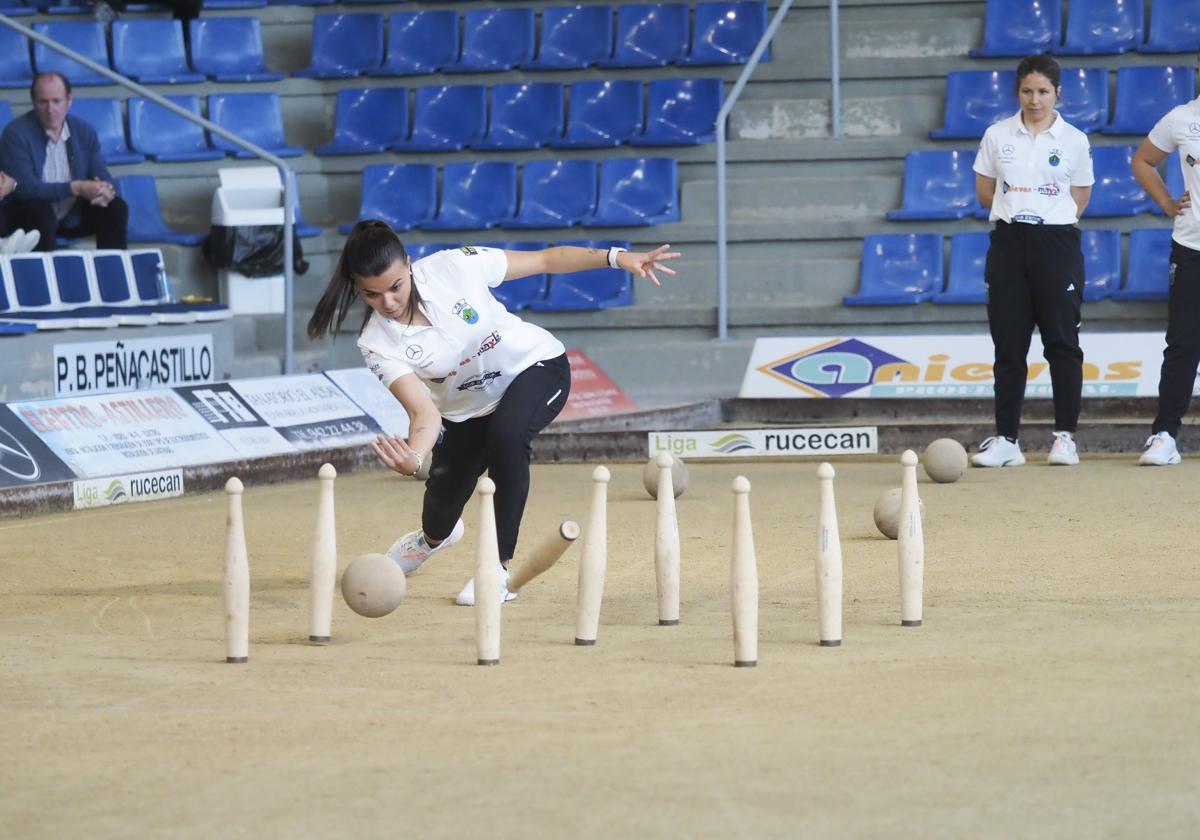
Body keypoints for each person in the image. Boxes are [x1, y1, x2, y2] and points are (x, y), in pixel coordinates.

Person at [307, 222, 679, 604]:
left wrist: (617, 258)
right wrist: (415, 457)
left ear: (409, 263)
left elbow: (547, 259)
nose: (388, 302)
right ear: (356, 287)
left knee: (508, 437)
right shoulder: (375, 343)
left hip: (535, 366)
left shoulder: (454, 266)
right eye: (372, 294)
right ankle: (434, 539)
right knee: (441, 509)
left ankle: (496, 569)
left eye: (395, 286)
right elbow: (423, 413)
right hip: (464, 411)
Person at [970, 53, 1094, 468]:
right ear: (1017, 92)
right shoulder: (997, 135)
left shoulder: (1075, 140)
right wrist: (1018, 212)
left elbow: (1080, 198)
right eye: (1027, 91)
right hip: (1008, 243)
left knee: (1062, 342)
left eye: (1043, 91)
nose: (1035, 99)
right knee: (1008, 346)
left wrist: (1048, 221)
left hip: (1056, 244)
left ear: (1057, 93)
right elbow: (985, 190)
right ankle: (1007, 439)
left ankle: (1064, 438)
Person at [1130, 59, 1199, 466]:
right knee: (1183, 345)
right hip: (1191, 247)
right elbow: (1142, 161)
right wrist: (1168, 203)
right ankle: (1165, 436)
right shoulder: (1181, 119)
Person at [0, 72, 128, 253]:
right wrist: (77, 187)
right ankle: (44, 277)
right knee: (38, 211)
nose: (50, 109)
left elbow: (100, 173)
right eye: (43, 102)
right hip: (27, 214)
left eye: (56, 101)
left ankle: (114, 272)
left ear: (69, 101)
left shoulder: (84, 131)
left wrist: (105, 190)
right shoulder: (15, 134)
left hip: (71, 214)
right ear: (33, 103)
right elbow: (26, 189)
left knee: (115, 207)